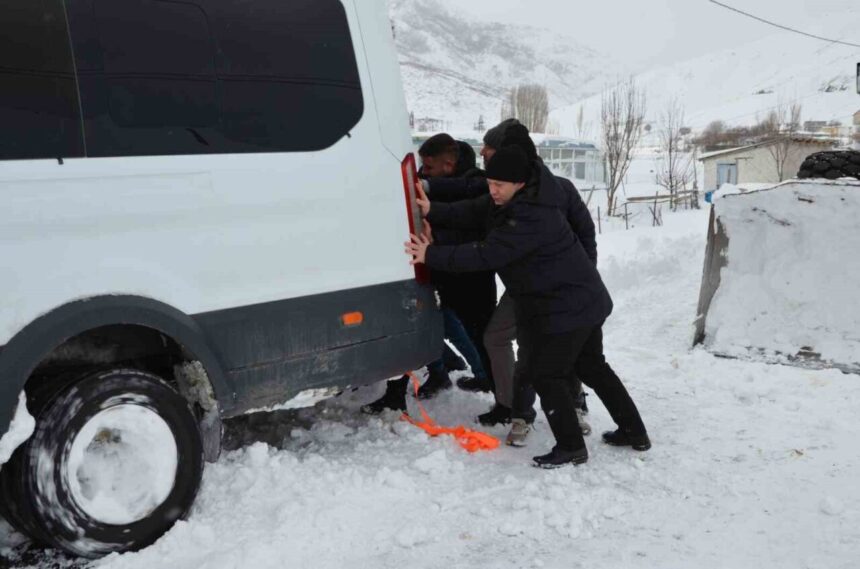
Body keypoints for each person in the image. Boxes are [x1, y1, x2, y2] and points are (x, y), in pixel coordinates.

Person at [407, 146, 650, 468]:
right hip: (581, 299)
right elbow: (476, 209)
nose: (491, 191)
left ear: (519, 183)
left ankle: (571, 447)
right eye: (490, 183)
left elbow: (486, 254)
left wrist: (431, 255)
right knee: (592, 366)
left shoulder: (531, 216)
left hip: (567, 307)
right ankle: (634, 432)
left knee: (546, 374)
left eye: (498, 186)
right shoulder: (519, 197)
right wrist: (433, 209)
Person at [361, 135, 494, 413]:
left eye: (429, 167)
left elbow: (469, 220)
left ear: (448, 164)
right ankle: (411, 386)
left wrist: (436, 236)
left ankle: (499, 390)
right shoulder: (432, 178)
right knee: (423, 325)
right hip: (434, 271)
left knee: (479, 337)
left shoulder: (476, 183)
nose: (424, 171)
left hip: (468, 281)